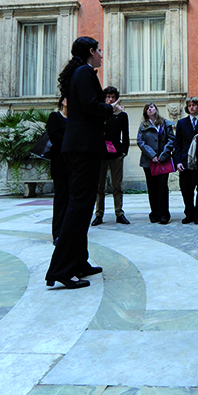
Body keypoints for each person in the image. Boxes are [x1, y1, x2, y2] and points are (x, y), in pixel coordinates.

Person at [45, 36, 122, 290]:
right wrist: (111, 109)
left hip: (79, 147)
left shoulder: (77, 73)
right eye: (100, 49)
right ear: (91, 51)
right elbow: (91, 106)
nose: (102, 53)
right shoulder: (85, 72)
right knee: (79, 207)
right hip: (83, 148)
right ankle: (62, 270)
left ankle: (79, 262)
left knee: (83, 206)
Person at [92, 86, 130, 226]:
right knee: (99, 188)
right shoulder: (100, 114)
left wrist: (124, 152)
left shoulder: (122, 115)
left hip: (116, 154)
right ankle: (98, 214)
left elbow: (125, 135)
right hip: (100, 155)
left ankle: (119, 213)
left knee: (117, 186)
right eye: (108, 97)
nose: (110, 99)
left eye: (113, 97)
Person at [174, 97, 198, 224]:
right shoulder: (181, 123)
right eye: (189, 105)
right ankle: (189, 213)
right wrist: (178, 161)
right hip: (185, 161)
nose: (191, 107)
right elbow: (177, 144)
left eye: (194, 105)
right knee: (186, 189)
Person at [137, 102, 175, 224]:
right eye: (147, 108)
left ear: (156, 109)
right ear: (145, 112)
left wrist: (163, 155)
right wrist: (152, 155)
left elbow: (171, 139)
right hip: (149, 162)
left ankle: (164, 214)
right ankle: (155, 212)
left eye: (152, 107)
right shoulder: (143, 126)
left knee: (162, 187)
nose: (150, 109)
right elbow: (140, 142)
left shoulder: (165, 124)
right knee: (152, 187)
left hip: (163, 161)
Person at [46, 95, 68, 244]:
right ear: (62, 101)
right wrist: (72, 139)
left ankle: (69, 231)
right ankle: (58, 233)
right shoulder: (54, 117)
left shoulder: (76, 120)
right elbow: (54, 136)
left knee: (72, 199)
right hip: (60, 164)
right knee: (61, 198)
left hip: (74, 164)